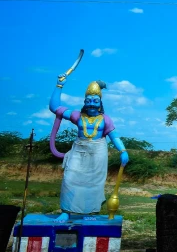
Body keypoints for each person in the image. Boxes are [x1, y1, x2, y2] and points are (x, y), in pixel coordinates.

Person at [49, 78, 128, 221]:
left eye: (95, 101)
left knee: (94, 182)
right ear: (85, 102)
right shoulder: (76, 116)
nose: (92, 104)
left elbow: (114, 137)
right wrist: (59, 85)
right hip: (78, 150)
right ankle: (66, 211)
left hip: (98, 152)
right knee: (69, 179)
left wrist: (123, 151)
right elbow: (55, 107)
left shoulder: (106, 119)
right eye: (89, 101)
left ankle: (91, 212)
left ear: (100, 103)